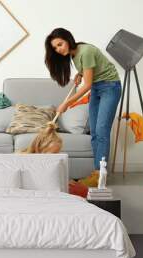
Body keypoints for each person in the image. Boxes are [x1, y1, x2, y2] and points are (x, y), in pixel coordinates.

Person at [45, 28, 121, 187]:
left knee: (102, 130)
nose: (59, 49)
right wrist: (80, 74)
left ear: (67, 39)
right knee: (94, 132)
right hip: (97, 88)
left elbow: (86, 86)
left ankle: (101, 174)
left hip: (109, 87)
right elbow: (90, 74)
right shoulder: (74, 54)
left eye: (60, 44)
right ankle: (97, 172)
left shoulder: (85, 51)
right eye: (56, 48)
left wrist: (67, 103)